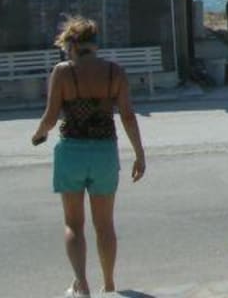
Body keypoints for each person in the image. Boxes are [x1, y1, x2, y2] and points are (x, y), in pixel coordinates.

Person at [31, 17, 146, 298]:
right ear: (95, 44)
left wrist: (38, 135)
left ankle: (82, 285)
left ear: (71, 45)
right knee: (105, 225)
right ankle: (109, 284)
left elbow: (50, 117)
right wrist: (139, 154)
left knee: (73, 224)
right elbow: (128, 116)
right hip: (104, 152)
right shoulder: (115, 72)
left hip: (72, 152)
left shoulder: (63, 72)